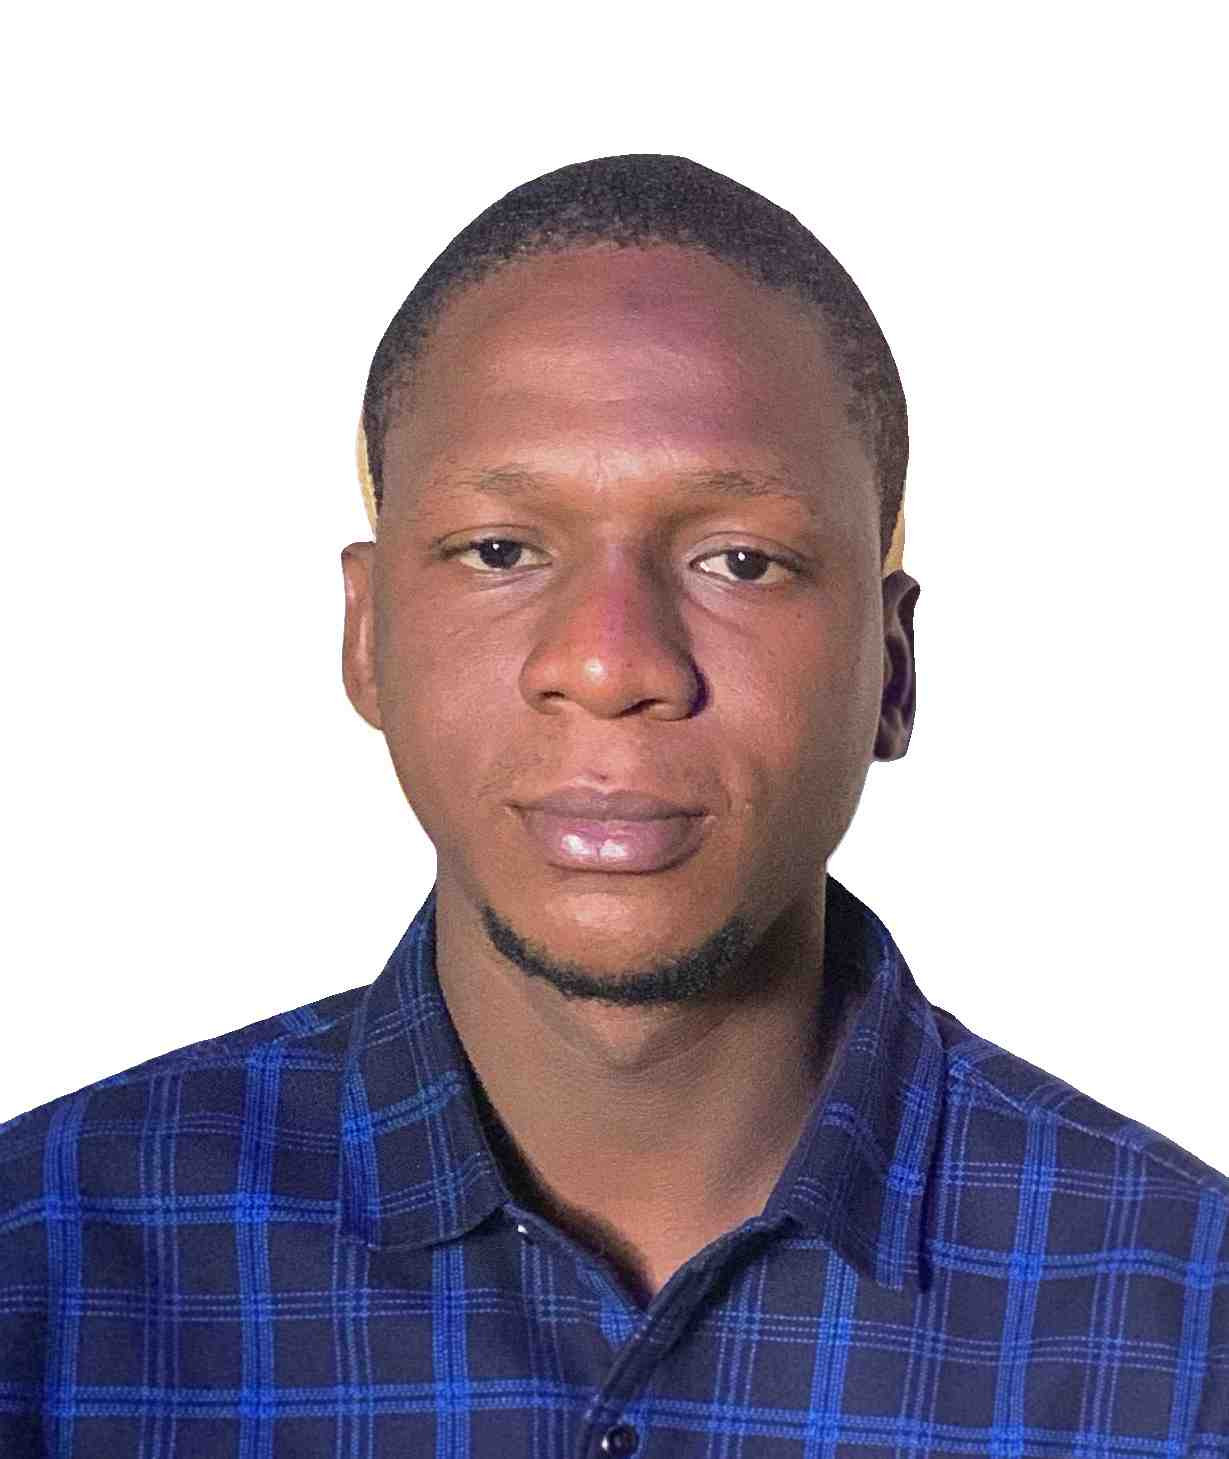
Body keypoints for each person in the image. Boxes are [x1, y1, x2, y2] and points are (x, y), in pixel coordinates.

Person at [1, 154, 1224, 1456]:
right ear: (366, 638)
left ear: (892, 666)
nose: (608, 662)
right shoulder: (41, 1273)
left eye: (740, 561)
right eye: (501, 551)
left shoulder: (1190, 1327)